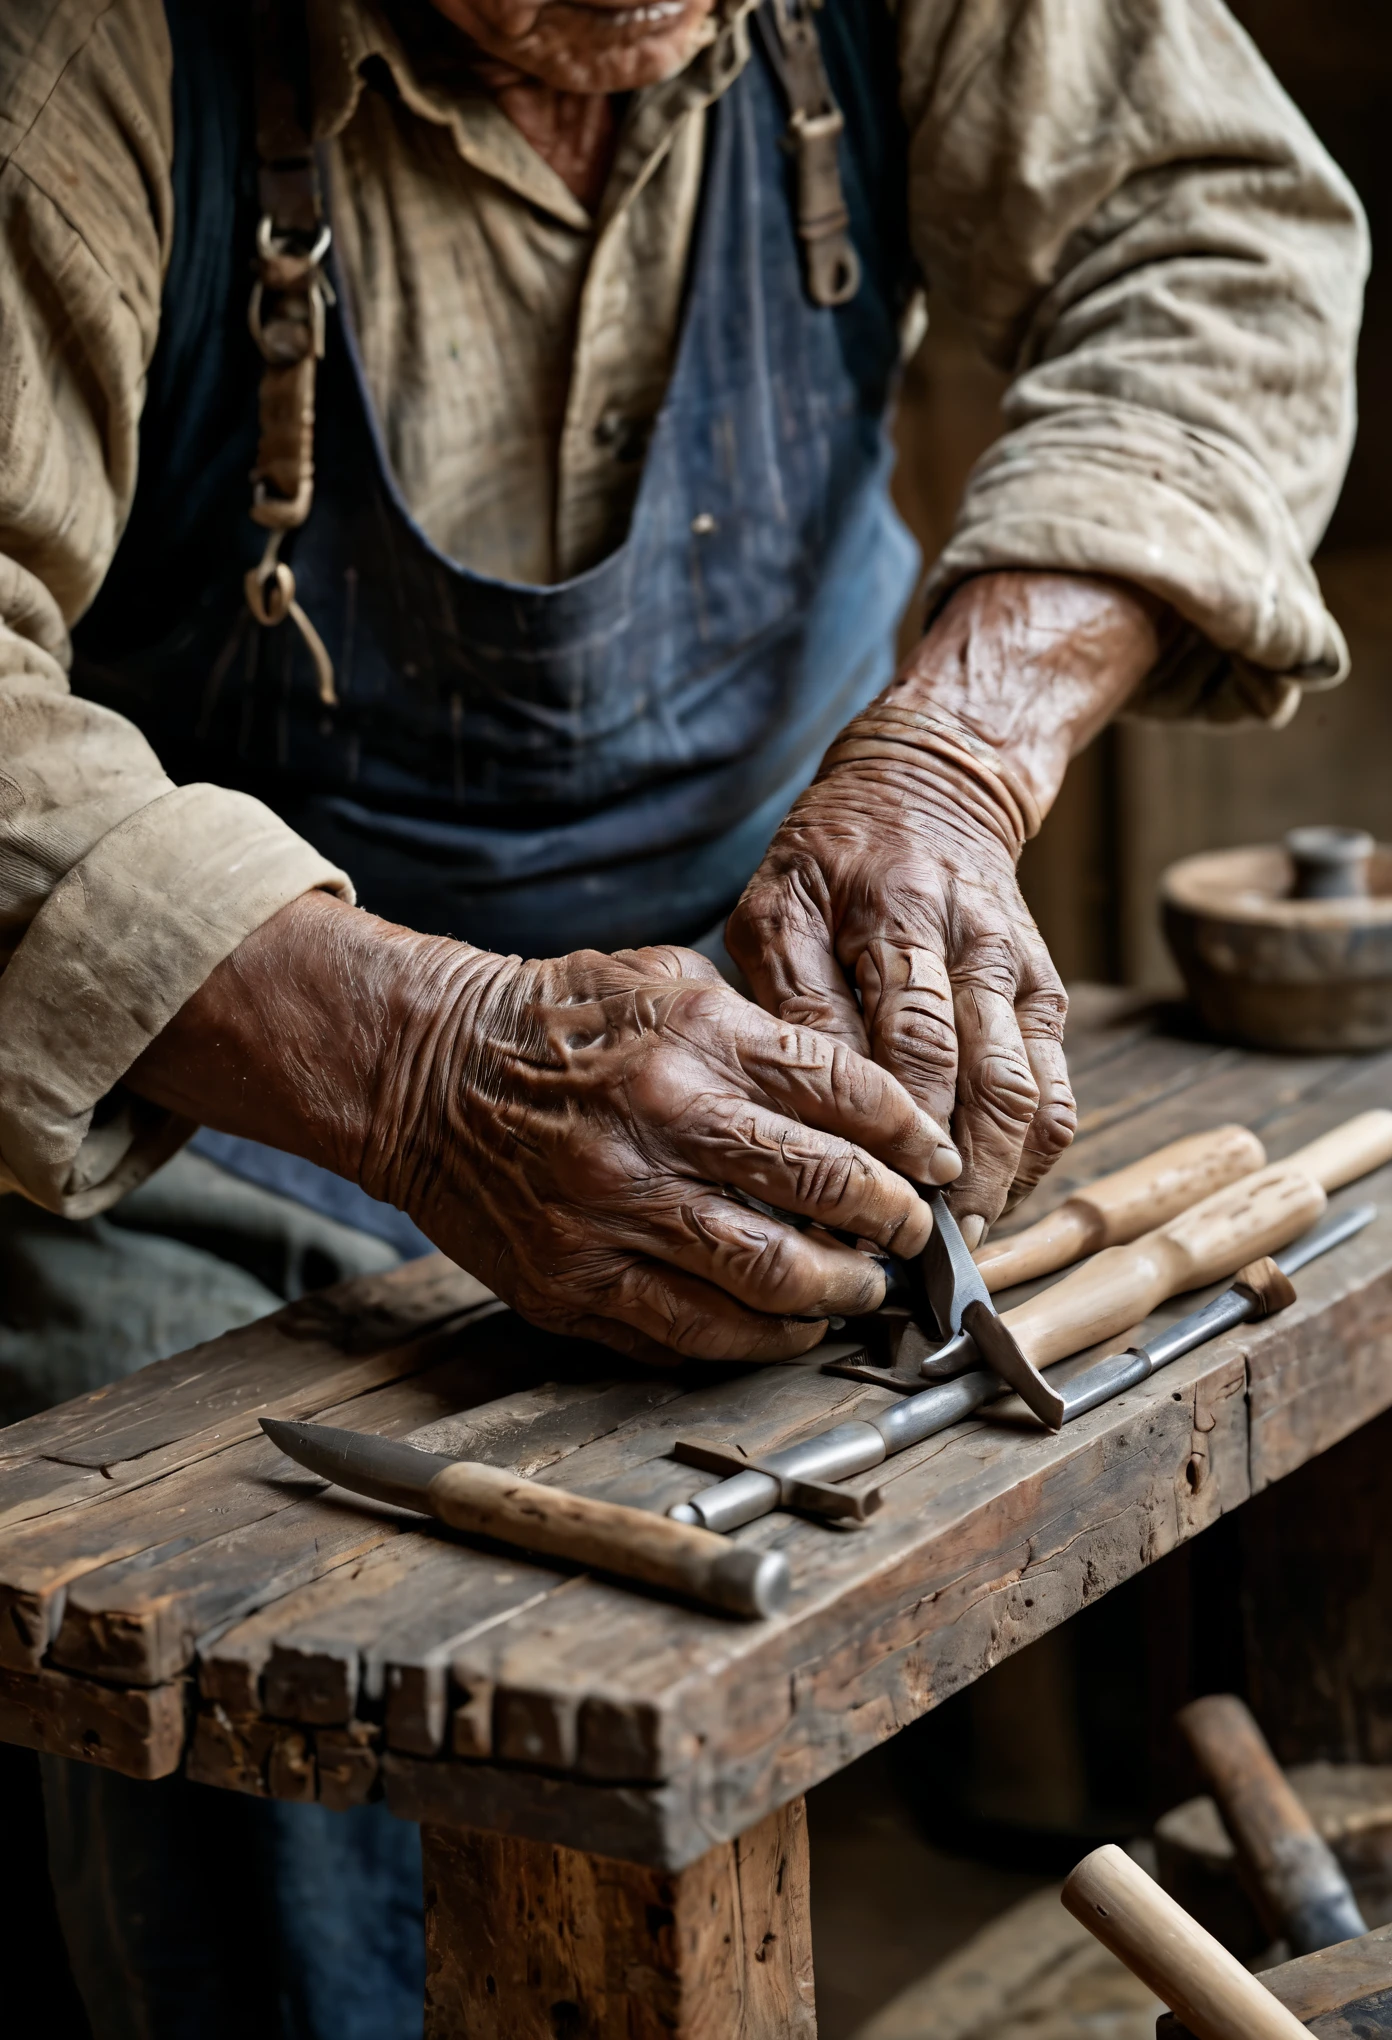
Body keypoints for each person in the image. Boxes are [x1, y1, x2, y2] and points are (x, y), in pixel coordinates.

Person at [0, 0, 1365, 2031]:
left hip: (782, 978)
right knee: (280, 1642)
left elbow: (1223, 238)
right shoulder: (87, 56)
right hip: (219, 1071)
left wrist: (954, 763)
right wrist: (419, 1054)